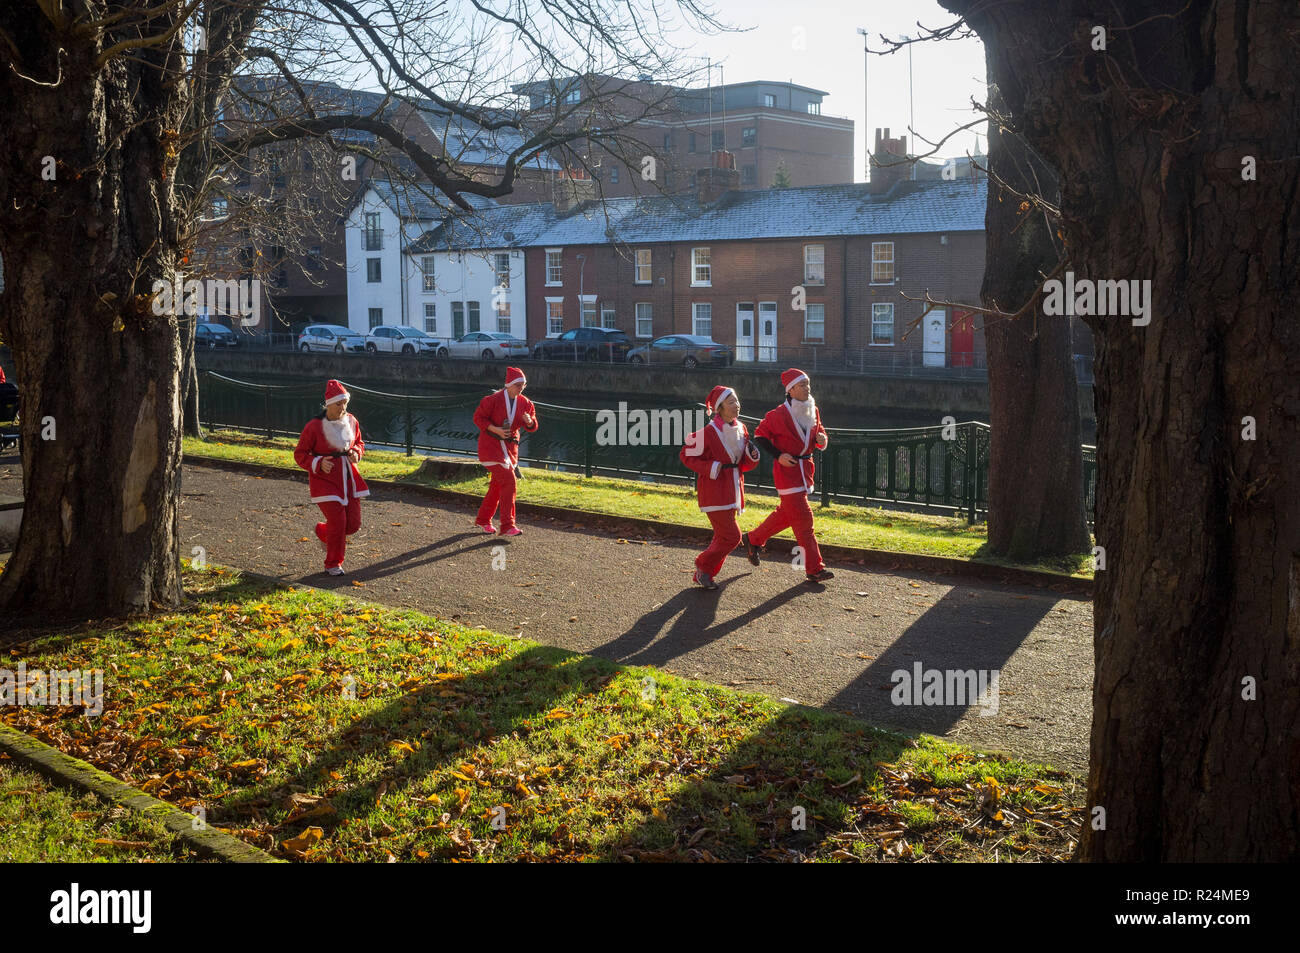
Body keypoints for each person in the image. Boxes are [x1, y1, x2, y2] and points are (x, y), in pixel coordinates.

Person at [743, 368, 835, 584]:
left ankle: (753, 539)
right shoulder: (777, 414)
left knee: (787, 514)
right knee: (804, 520)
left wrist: (821, 440)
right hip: (786, 473)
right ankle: (814, 569)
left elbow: (819, 434)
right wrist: (778, 455)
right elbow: (760, 435)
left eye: (808, 384)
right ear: (790, 389)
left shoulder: (814, 410)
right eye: (802, 385)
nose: (807, 388)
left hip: (805, 471)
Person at [678, 385, 761, 589]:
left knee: (722, 536)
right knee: (732, 537)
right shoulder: (708, 432)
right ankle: (703, 566)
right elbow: (686, 455)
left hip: (733, 490)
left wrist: (752, 457)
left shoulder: (741, 428)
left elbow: (742, 463)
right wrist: (712, 467)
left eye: (737, 401)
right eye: (731, 402)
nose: (737, 405)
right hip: (714, 492)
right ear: (720, 408)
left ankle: (705, 574)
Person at [293, 379, 369, 576]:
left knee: (352, 525)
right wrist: (318, 463)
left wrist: (355, 452)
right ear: (328, 404)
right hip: (324, 481)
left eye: (345, 403)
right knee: (338, 521)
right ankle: (333, 564)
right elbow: (300, 454)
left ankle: (323, 531)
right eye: (338, 403)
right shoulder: (314, 426)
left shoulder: (352, 421)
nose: (342, 407)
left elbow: (359, 443)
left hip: (349, 478)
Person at [473, 366, 538, 536]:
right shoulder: (492, 400)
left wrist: (529, 422)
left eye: (523, 385)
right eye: (518, 385)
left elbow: (532, 425)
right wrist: (496, 430)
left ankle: (483, 520)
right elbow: (478, 418)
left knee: (497, 486)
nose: (521, 388)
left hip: (509, 451)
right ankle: (508, 525)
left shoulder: (525, 403)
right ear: (508, 384)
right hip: (491, 448)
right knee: (509, 481)